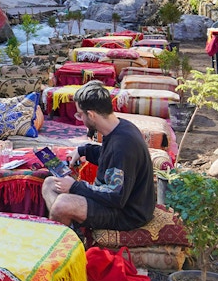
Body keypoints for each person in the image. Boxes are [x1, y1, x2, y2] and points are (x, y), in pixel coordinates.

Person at [41, 80, 156, 231]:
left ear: (91, 114)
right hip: (115, 199)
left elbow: (116, 197)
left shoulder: (122, 145)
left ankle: (65, 246)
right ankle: (70, 230)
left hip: (127, 213)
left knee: (62, 205)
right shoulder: (119, 127)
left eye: (80, 115)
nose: (80, 119)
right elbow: (107, 156)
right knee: (50, 184)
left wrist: (75, 186)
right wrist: (83, 151)